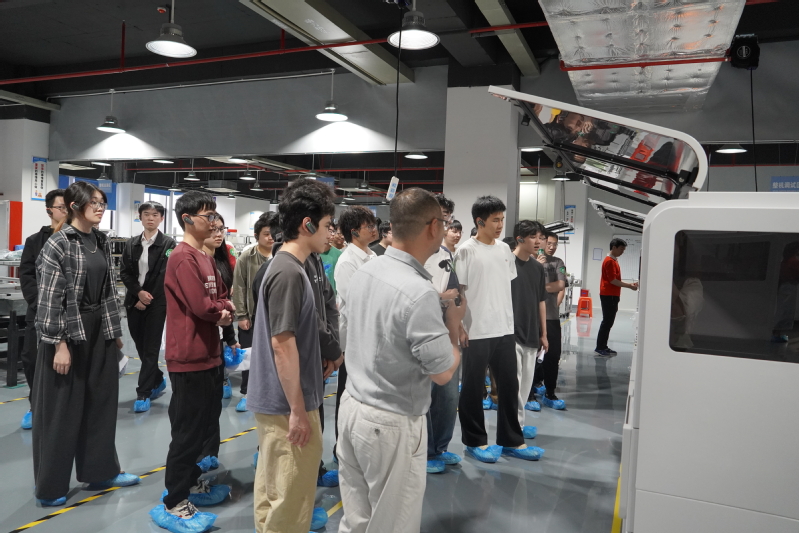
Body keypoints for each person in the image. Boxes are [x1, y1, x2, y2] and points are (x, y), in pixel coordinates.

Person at [337, 188, 465, 533]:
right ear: (433, 227)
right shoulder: (418, 291)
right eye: (445, 223)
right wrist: (453, 328)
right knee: (393, 524)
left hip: (352, 408)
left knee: (356, 519)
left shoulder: (367, 270)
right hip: (390, 423)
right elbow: (442, 373)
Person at [33, 181, 140, 506]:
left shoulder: (101, 240)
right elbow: (50, 300)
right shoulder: (58, 244)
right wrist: (59, 345)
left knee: (102, 403)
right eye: (94, 202)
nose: (100, 207)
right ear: (75, 206)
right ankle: (51, 487)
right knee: (62, 411)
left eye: (102, 202)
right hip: (68, 331)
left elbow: (108, 291)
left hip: (99, 331)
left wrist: (115, 333)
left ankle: (101, 471)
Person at [248, 178, 336, 533]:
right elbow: (282, 345)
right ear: (308, 225)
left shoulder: (293, 267)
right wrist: (298, 410)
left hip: (283, 401)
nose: (331, 234)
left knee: (274, 487)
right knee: (290, 494)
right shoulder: (288, 272)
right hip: (287, 405)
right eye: (327, 225)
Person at [151, 192, 234, 533]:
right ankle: (174, 501)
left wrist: (222, 309)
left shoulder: (205, 256)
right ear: (187, 219)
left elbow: (221, 297)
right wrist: (220, 312)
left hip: (210, 354)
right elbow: (203, 306)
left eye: (215, 216)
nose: (214, 222)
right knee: (186, 434)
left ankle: (191, 485)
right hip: (189, 358)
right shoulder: (182, 258)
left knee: (202, 429)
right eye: (207, 216)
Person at [454, 195, 542, 463]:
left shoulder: (505, 250)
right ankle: (475, 442)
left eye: (502, 219)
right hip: (476, 330)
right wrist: (459, 326)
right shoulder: (466, 251)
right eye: (495, 220)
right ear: (480, 221)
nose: (500, 225)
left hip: (504, 329)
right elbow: (459, 293)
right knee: (472, 388)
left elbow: (505, 287)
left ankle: (511, 441)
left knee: (509, 387)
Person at [422, 194, 466, 474]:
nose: (445, 223)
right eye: (441, 217)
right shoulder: (415, 252)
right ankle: (426, 451)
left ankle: (440, 446)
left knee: (448, 394)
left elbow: (454, 294)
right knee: (425, 394)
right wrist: (439, 297)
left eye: (447, 218)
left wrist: (458, 327)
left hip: (444, 330)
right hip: (421, 332)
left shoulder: (446, 255)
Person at [120, 201, 176, 413]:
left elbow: (165, 275)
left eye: (155, 215)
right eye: (146, 214)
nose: (150, 218)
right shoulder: (131, 244)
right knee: (141, 347)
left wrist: (146, 298)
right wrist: (138, 294)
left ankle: (143, 393)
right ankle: (158, 379)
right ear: (140, 217)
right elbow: (125, 272)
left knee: (151, 348)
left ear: (161, 218)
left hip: (157, 303)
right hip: (134, 302)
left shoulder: (168, 244)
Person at [333, 206, 378, 457]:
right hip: (353, 339)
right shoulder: (347, 261)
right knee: (347, 394)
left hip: (371, 337)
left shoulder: (373, 256)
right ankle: (341, 449)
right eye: (368, 226)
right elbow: (357, 302)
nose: (374, 229)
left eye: (373, 224)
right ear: (354, 232)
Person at [18, 188, 65, 430]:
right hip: (38, 312)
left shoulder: (78, 238)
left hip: (68, 314)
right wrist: (40, 304)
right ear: (49, 210)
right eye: (61, 207)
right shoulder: (35, 241)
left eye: (70, 207)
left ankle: (60, 407)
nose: (66, 211)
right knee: (31, 359)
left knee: (65, 362)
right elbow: (26, 275)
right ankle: (35, 405)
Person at [195, 215, 239, 471]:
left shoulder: (221, 261)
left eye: (221, 229)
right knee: (198, 406)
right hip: (197, 342)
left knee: (213, 404)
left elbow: (226, 305)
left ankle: (210, 452)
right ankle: (198, 457)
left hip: (218, 337)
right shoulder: (191, 262)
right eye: (213, 229)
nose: (218, 233)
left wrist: (231, 338)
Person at [232, 212, 277, 412]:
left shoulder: (282, 255)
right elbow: (239, 286)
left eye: (274, 233)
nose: (270, 237)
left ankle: (271, 392)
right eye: (266, 234)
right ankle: (247, 393)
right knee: (249, 357)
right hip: (252, 316)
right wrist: (242, 315)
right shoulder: (247, 257)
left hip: (276, 317)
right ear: (257, 235)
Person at [510, 220, 548, 438]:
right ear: (520, 239)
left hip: (532, 333)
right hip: (511, 333)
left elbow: (541, 301)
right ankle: (515, 428)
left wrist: (544, 333)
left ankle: (519, 424)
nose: (538, 241)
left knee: (525, 385)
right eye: (533, 237)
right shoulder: (507, 264)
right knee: (514, 385)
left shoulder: (537, 268)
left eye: (539, 237)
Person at [530, 231, 569, 410]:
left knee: (553, 356)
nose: (552, 247)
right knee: (530, 356)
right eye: (549, 243)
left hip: (551, 316)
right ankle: (529, 394)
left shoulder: (558, 263)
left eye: (555, 244)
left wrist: (538, 287)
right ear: (542, 241)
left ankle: (550, 393)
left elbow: (560, 284)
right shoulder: (530, 260)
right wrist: (547, 287)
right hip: (531, 317)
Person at [595, 238, 638, 357]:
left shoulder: (614, 260)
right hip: (609, 295)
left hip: (612, 295)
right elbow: (613, 280)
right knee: (607, 322)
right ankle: (600, 347)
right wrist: (629, 286)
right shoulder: (609, 261)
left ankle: (603, 346)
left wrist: (629, 285)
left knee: (608, 322)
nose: (622, 252)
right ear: (614, 247)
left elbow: (615, 279)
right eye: (621, 249)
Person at [320, 221, 342, 292]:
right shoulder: (313, 253)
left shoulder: (339, 254)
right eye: (330, 231)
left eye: (333, 231)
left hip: (333, 294)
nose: (332, 234)